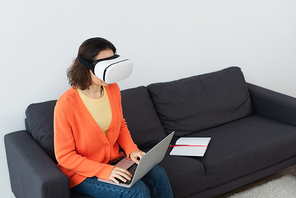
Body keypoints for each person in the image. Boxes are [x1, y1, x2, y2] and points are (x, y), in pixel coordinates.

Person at [54, 37, 173, 198]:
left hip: (114, 161)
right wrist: (105, 171)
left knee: (158, 174)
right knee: (137, 191)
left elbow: (121, 125)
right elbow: (64, 156)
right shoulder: (66, 104)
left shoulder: (112, 89)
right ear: (86, 66)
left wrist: (132, 150)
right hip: (82, 174)